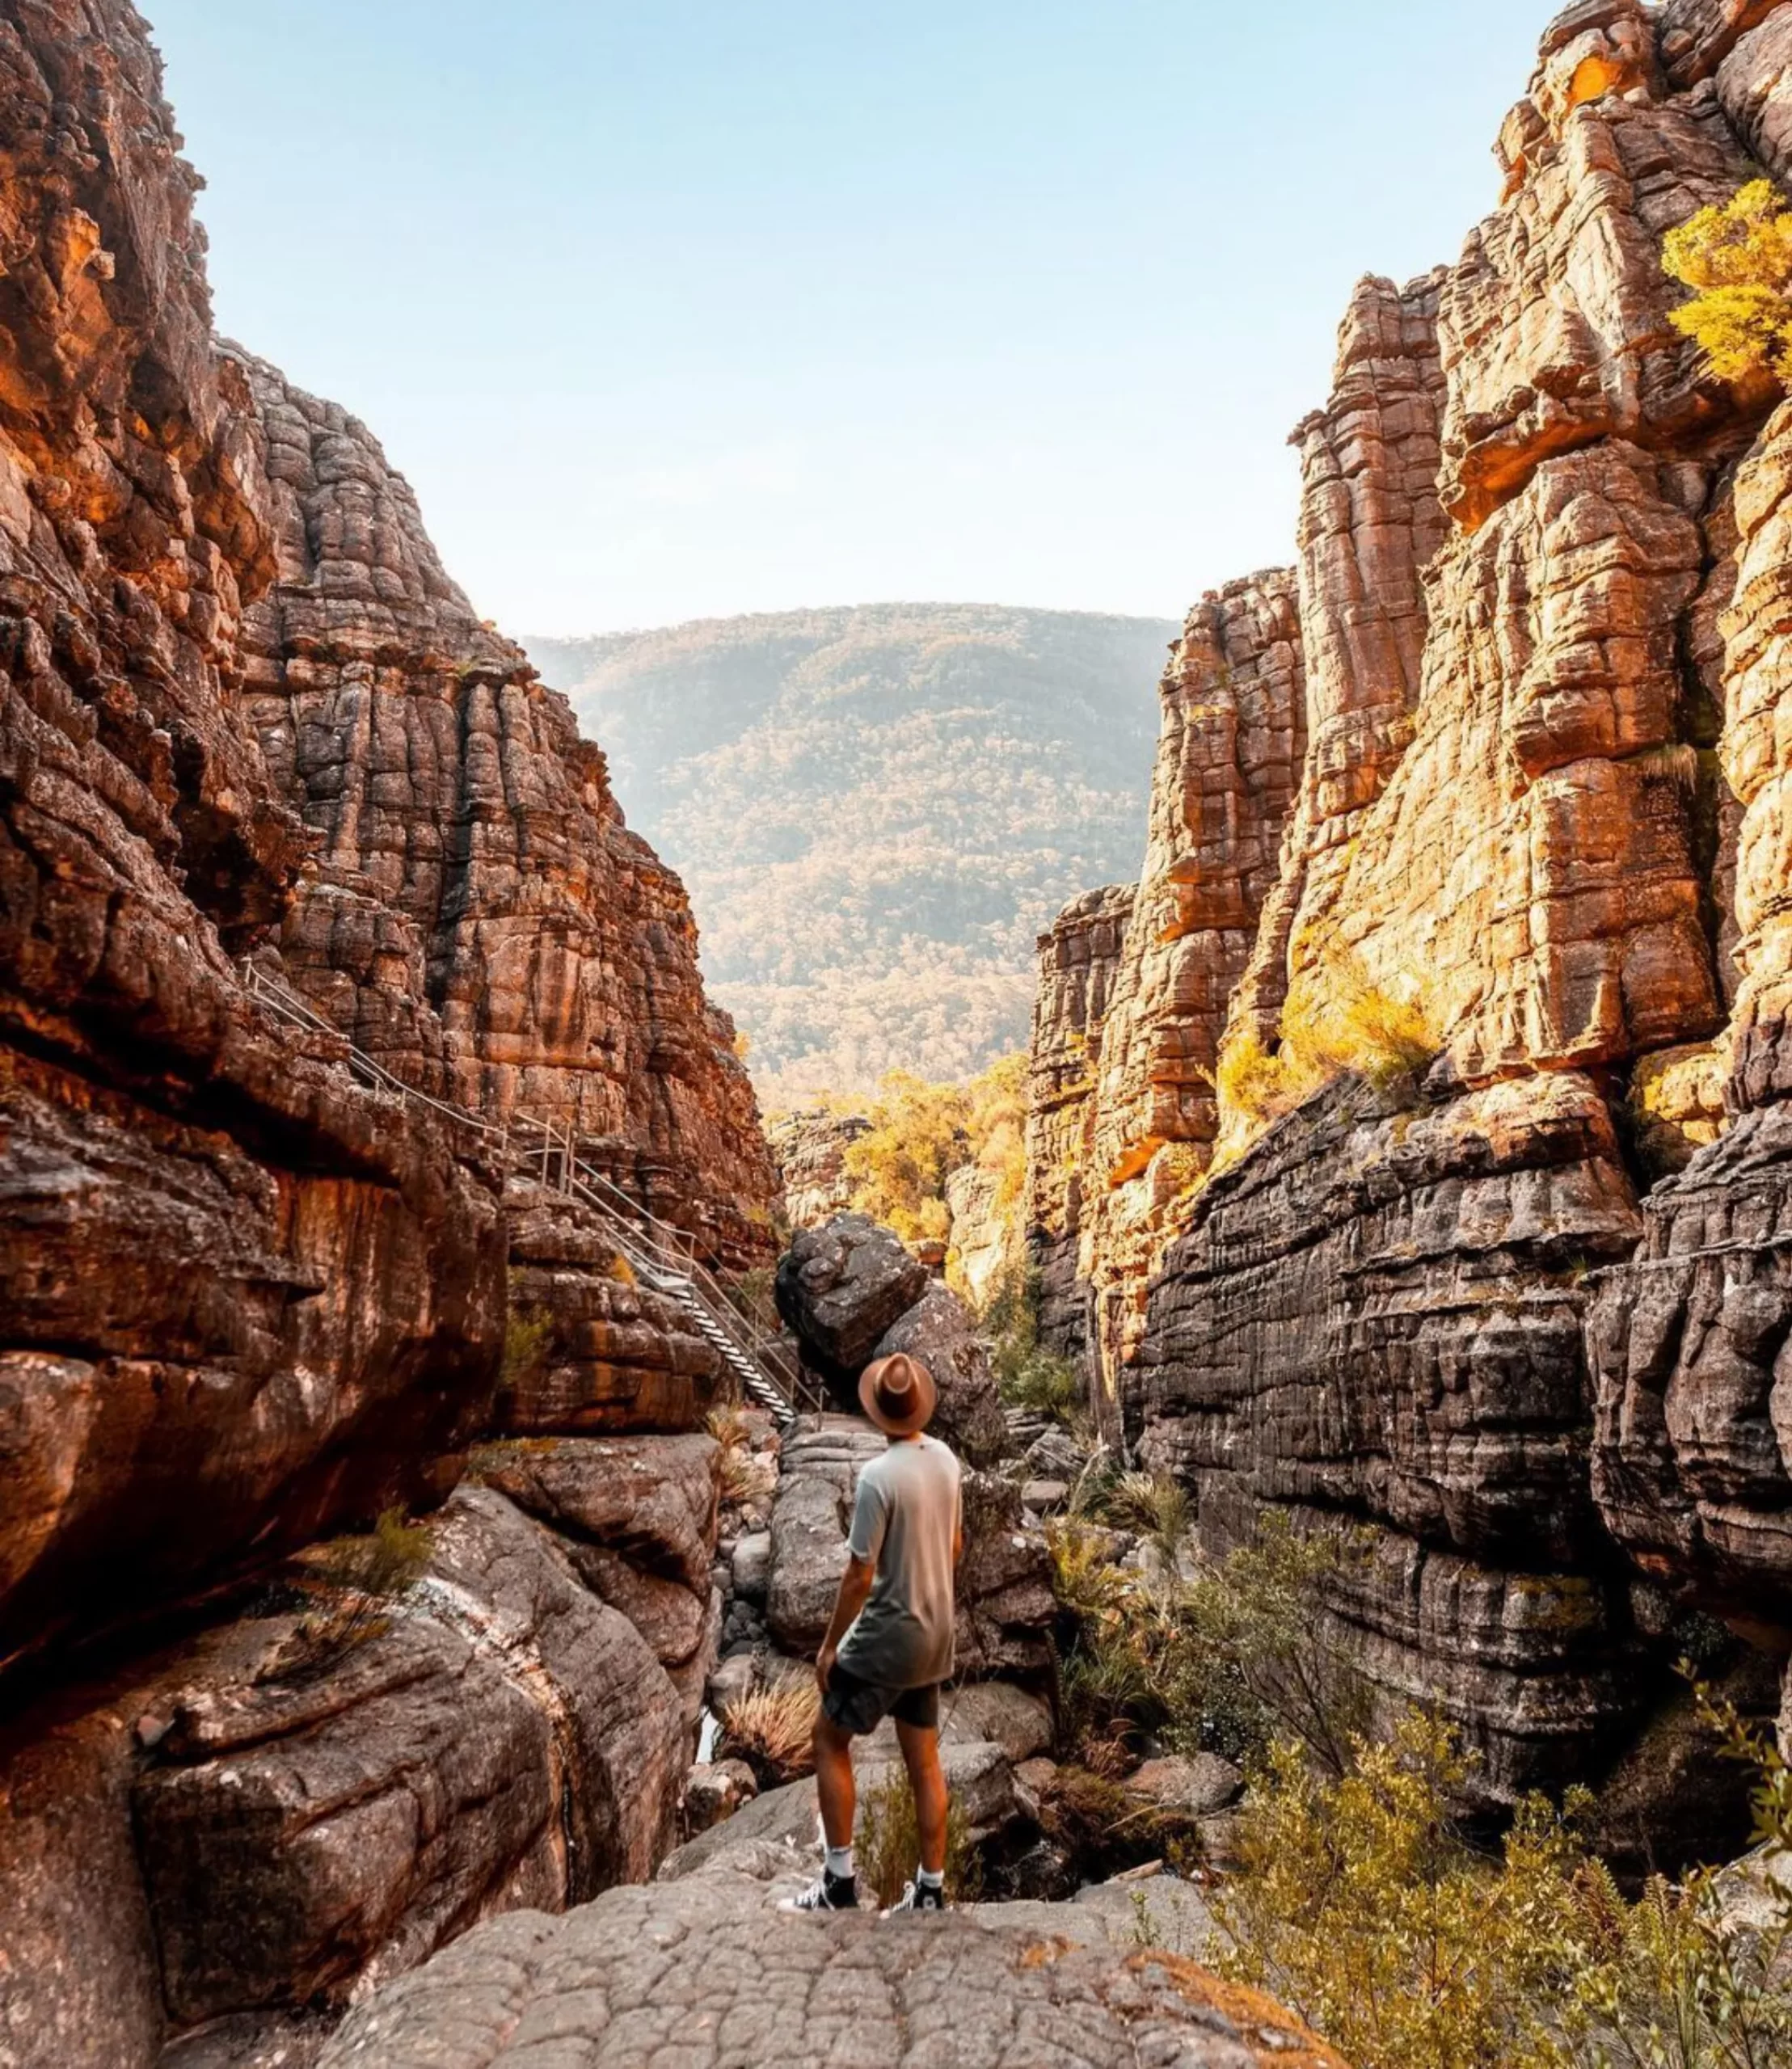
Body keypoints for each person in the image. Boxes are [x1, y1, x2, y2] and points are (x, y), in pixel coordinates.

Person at [779, 1351, 963, 1915]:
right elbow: (955, 1547)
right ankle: (930, 1890)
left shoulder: (877, 1478)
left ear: (878, 1414)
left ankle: (838, 1885)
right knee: (924, 1761)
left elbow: (860, 1572)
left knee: (828, 1740)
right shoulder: (947, 1461)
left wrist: (830, 1645)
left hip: (886, 1635)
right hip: (935, 1634)